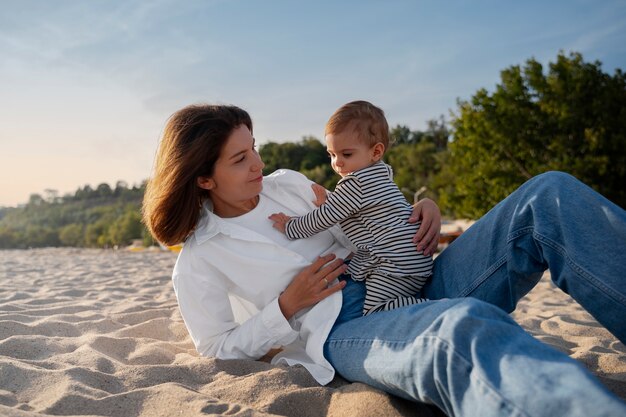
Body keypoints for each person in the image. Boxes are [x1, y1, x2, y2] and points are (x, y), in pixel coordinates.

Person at [142, 103, 626, 417]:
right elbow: (215, 348)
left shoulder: (287, 184)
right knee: (458, 327)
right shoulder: (201, 257)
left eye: (255, 149)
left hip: (407, 269)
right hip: (349, 324)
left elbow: (357, 217)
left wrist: (420, 207)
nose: (259, 165)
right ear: (203, 179)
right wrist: (285, 307)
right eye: (240, 159)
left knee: (547, 196)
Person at [269, 101, 433, 315]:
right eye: (331, 154)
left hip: (392, 264)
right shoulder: (381, 175)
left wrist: (291, 226)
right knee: (400, 297)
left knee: (376, 311)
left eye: (346, 154)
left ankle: (434, 307)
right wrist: (330, 205)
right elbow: (356, 215)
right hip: (413, 259)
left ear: (376, 152)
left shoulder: (355, 182)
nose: (337, 163)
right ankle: (421, 303)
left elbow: (322, 219)